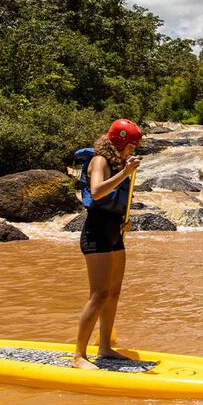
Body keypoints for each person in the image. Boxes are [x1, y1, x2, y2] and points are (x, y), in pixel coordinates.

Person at [71, 118, 142, 370]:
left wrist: (124, 222)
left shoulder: (119, 162)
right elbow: (97, 190)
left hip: (114, 231)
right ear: (119, 142)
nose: (133, 150)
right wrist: (125, 173)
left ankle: (105, 348)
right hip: (97, 232)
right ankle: (78, 356)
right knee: (99, 295)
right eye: (131, 145)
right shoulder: (100, 160)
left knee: (113, 293)